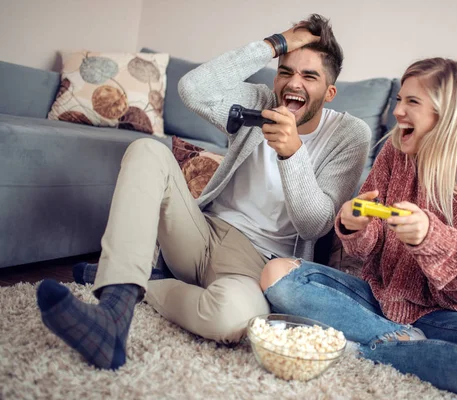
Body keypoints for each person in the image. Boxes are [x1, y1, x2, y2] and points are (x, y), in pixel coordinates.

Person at [35, 14, 371, 370]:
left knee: (231, 321)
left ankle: (144, 284)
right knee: (148, 151)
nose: (293, 83)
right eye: (286, 71)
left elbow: (315, 225)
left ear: (330, 92)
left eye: (309, 76)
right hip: (201, 233)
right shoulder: (259, 100)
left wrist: (292, 154)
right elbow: (193, 89)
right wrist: (276, 42)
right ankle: (114, 312)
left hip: (260, 265)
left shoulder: (350, 135)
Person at [259, 58, 457, 397]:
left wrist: (429, 238)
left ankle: (365, 346)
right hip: (378, 296)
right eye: (399, 100)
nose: (398, 111)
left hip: (443, 314)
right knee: (277, 274)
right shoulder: (394, 149)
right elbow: (367, 247)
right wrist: (353, 225)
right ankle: (400, 344)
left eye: (412, 102)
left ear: (446, 112)